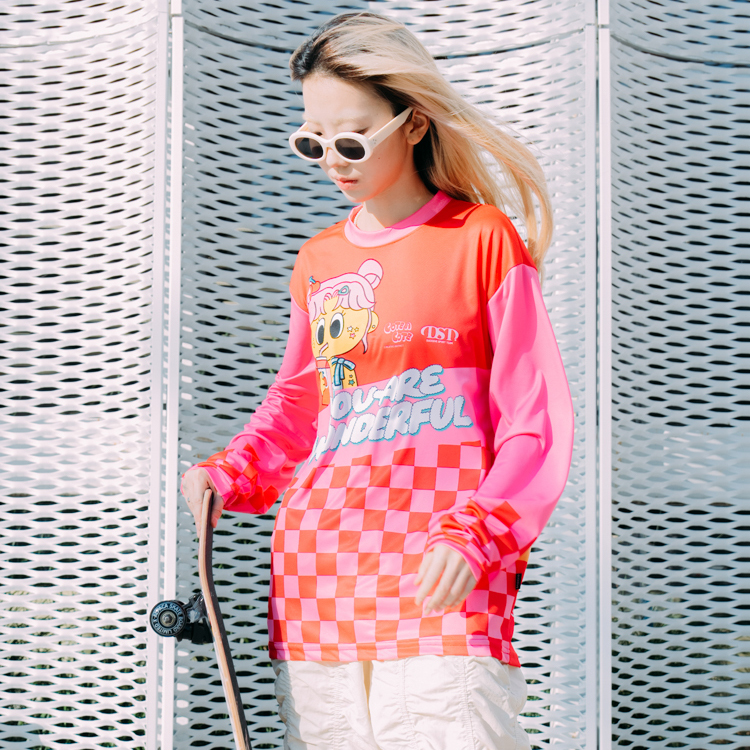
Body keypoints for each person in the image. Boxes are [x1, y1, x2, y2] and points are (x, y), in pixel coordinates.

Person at [180, 11, 574, 750]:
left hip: (442, 575)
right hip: (318, 579)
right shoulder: (319, 260)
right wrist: (234, 469)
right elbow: (301, 404)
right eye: (313, 141)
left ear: (414, 122)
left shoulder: (481, 240)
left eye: (353, 139)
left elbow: (535, 421)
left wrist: (480, 533)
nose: (333, 161)